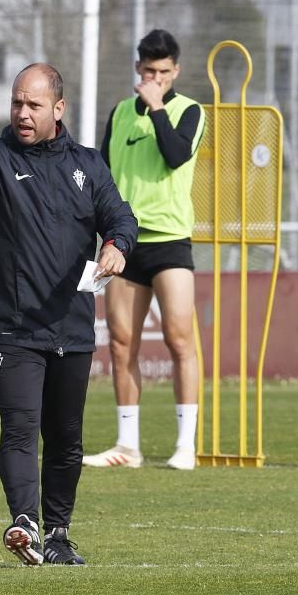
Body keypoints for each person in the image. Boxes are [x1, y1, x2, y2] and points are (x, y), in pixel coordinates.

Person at [0, 63, 137, 566]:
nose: (22, 113)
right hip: (11, 327)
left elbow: (119, 214)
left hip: (71, 324)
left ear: (58, 109)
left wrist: (118, 245)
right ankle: (24, 521)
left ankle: (58, 534)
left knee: (66, 439)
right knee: (19, 425)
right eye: (16, 103)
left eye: (33, 105)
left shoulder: (88, 164)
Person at [82, 29, 205, 472]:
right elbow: (101, 175)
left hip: (171, 240)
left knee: (178, 339)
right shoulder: (118, 114)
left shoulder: (189, 111)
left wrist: (156, 108)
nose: (156, 78)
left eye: (164, 72)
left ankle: (185, 446)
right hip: (125, 243)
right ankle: (127, 446)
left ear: (176, 71)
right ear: (138, 68)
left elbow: (175, 155)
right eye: (149, 71)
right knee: (120, 344)